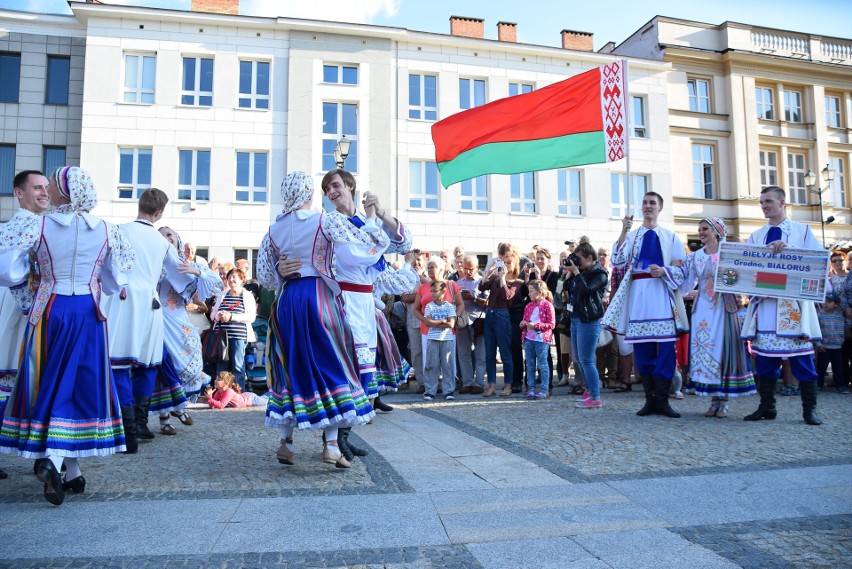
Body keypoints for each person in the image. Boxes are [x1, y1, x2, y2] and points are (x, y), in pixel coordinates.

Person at [0, 166, 134, 505]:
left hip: (50, 311)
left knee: (52, 381)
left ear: (66, 192)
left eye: (55, 186)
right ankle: (67, 468)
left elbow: (7, 269)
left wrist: (31, 284)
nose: (50, 192)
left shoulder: (38, 224)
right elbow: (118, 279)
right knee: (76, 384)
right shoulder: (106, 229)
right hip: (89, 312)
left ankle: (58, 463)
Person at [257, 170, 385, 469]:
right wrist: (371, 219)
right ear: (309, 194)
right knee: (332, 363)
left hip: (287, 299)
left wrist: (281, 268)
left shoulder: (273, 231)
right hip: (318, 297)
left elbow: (265, 276)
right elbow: (365, 244)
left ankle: (286, 444)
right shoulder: (324, 220)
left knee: (290, 365)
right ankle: (330, 445)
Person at [103, 187, 195, 452]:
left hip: (121, 301)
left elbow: (105, 266)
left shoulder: (118, 230)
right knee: (147, 365)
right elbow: (181, 276)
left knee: (119, 363)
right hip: (151, 305)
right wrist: (198, 273)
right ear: (159, 212)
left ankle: (128, 432)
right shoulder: (162, 242)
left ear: (139, 205)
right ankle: (139, 425)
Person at [319, 168, 413, 417]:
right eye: (327, 189)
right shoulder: (333, 222)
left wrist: (379, 212)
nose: (331, 192)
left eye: (335, 185)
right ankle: (349, 416)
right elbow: (360, 251)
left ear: (350, 186)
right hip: (344, 298)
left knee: (368, 355)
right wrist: (372, 223)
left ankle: (361, 411)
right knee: (350, 355)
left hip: (367, 300)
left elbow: (404, 244)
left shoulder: (366, 219)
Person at [741, 186, 825, 425]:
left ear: (782, 203)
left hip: (792, 308)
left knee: (802, 361)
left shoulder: (802, 230)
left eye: (768, 201)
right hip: (766, 306)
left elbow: (818, 263)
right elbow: (746, 269)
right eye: (761, 202)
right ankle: (767, 407)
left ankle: (809, 409)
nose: (764, 205)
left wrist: (791, 252)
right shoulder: (757, 235)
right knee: (766, 361)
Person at [604, 192, 687, 418]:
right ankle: (650, 399)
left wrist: (664, 271)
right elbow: (618, 260)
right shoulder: (632, 237)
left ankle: (662, 399)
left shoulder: (670, 237)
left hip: (661, 295)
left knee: (667, 349)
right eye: (645, 203)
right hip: (639, 297)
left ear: (660, 208)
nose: (648, 206)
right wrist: (624, 229)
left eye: (652, 203)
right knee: (642, 350)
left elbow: (681, 270)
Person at [0, 170, 50, 480]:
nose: (44, 192)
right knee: (13, 376)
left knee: (35, 379)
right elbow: (7, 271)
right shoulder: (20, 225)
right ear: (19, 193)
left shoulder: (42, 224)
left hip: (34, 308)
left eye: (47, 187)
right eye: (37, 188)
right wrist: (33, 282)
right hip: (18, 310)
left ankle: (41, 452)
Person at [678, 218, 755, 418]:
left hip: (724, 308)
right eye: (699, 230)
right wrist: (669, 271)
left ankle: (724, 402)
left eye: (705, 229)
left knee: (724, 350)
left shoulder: (729, 254)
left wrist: (741, 293)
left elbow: (744, 277)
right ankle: (714, 401)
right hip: (703, 309)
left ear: (717, 231)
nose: (701, 232)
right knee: (706, 350)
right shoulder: (695, 257)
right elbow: (686, 281)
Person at [151, 226, 223, 435]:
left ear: (177, 240)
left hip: (179, 322)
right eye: (161, 236)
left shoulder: (186, 264)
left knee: (189, 365)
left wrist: (197, 271)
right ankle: (166, 418)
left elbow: (217, 285)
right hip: (156, 320)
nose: (165, 238)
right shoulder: (152, 264)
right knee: (162, 369)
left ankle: (178, 406)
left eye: (169, 235)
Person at [565, 238, 609, 408]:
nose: (577, 262)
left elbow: (587, 290)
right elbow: (569, 292)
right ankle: (589, 392)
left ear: (590, 257)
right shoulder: (582, 272)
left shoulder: (600, 274)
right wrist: (570, 275)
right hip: (576, 317)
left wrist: (576, 273)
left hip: (589, 319)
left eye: (580, 259)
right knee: (579, 359)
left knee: (587, 360)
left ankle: (596, 397)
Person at [413, 257, 465, 392]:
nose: (430, 270)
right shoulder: (423, 287)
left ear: (442, 269)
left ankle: (448, 388)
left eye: (433, 267)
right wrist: (424, 320)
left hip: (448, 331)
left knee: (448, 361)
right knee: (429, 361)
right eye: (428, 267)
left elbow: (460, 304)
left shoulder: (451, 285)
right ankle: (431, 388)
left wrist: (455, 317)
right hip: (428, 330)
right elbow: (416, 308)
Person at [479, 244, 525, 397]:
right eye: (503, 262)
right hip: (490, 315)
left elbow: (508, 296)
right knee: (490, 353)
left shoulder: (518, 282)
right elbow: (481, 287)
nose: (505, 265)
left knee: (505, 352)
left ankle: (508, 385)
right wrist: (489, 273)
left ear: (515, 264)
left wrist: (503, 278)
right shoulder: (495, 278)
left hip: (503, 316)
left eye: (509, 262)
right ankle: (491, 385)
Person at [210, 267, 257, 391]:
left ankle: (239, 393)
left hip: (239, 336)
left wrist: (231, 316)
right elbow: (212, 314)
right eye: (229, 277)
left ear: (241, 279)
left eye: (234, 277)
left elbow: (251, 317)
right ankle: (221, 393)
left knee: (238, 365)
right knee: (221, 366)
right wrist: (217, 316)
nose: (231, 280)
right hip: (221, 337)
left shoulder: (247, 296)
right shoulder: (221, 295)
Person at [456, 255, 488, 394]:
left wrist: (473, 298)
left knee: (481, 354)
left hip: (478, 321)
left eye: (471, 269)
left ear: (477, 268)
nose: (468, 271)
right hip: (462, 321)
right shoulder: (458, 282)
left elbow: (488, 302)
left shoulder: (482, 282)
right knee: (463, 354)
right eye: (465, 268)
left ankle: (479, 383)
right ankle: (467, 382)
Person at [422, 281, 458, 400]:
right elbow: (427, 322)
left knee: (447, 365)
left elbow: (451, 324)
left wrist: (436, 323)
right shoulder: (429, 306)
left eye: (435, 291)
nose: (432, 293)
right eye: (431, 291)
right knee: (431, 364)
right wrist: (442, 321)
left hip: (447, 339)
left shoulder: (449, 306)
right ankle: (430, 390)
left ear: (443, 291)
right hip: (432, 338)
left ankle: (448, 390)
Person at [520, 279, 555, 399]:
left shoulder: (547, 305)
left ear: (539, 292)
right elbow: (525, 321)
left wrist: (536, 326)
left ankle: (544, 389)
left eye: (531, 291)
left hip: (541, 340)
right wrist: (523, 325)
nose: (529, 294)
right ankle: (531, 388)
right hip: (529, 339)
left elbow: (551, 324)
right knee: (529, 365)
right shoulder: (529, 306)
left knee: (542, 365)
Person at [815, 292, 846, 393]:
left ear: (836, 304)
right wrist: (818, 344)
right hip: (824, 347)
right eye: (824, 301)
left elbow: (845, 329)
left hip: (837, 347)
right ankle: (818, 385)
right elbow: (815, 331)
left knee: (838, 368)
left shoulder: (840, 317)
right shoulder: (819, 316)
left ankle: (840, 385)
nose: (826, 304)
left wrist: (841, 341)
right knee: (821, 368)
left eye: (829, 302)